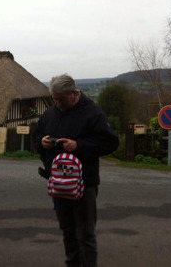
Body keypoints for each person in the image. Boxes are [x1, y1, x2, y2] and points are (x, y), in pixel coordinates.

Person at [34, 74, 119, 267]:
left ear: (73, 93)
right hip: (57, 183)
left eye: (61, 99)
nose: (57, 103)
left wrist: (79, 145)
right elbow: (37, 136)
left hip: (84, 184)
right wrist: (42, 142)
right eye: (54, 99)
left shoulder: (92, 113)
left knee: (85, 234)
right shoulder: (50, 113)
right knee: (67, 230)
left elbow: (110, 143)